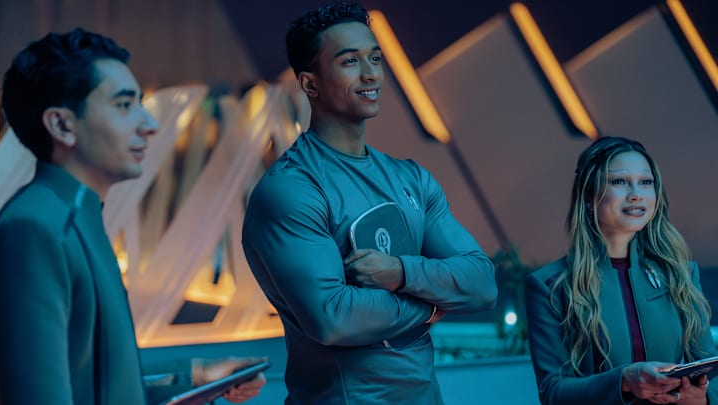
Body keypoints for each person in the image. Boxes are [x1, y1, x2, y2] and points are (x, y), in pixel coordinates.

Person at [241, 3, 497, 404]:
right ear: (310, 84)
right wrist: (432, 306)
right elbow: (334, 317)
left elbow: (481, 283)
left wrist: (400, 272)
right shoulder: (292, 189)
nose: (371, 73)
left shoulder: (411, 178)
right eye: (350, 61)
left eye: (375, 58)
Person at [0, 28, 266, 404]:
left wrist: (198, 377)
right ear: (62, 125)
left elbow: (95, 382)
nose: (150, 125)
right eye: (124, 105)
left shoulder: (70, 216)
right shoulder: (35, 228)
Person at [525, 136, 718, 405]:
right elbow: (553, 393)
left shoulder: (681, 274)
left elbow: (711, 371)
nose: (636, 194)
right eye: (619, 181)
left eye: (646, 182)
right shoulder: (551, 286)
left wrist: (703, 398)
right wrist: (625, 380)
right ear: (589, 195)